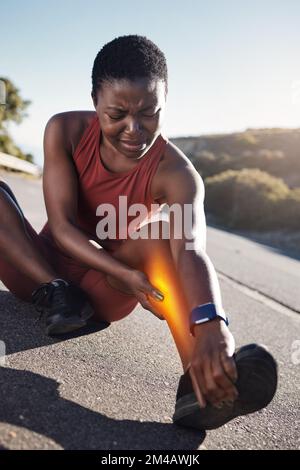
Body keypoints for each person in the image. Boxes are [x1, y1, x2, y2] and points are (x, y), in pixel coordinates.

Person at [0, 35, 277, 431]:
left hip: (104, 291)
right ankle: (59, 289)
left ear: (165, 102)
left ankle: (201, 383)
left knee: (166, 233)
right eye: (117, 115)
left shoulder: (178, 174)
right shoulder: (64, 129)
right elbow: (61, 228)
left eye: (149, 113)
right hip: (38, 274)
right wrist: (101, 277)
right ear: (95, 101)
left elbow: (190, 249)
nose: (134, 130)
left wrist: (212, 323)